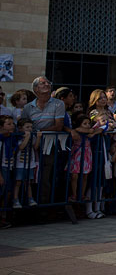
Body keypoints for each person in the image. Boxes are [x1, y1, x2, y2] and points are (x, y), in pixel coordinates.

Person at [22, 76, 65, 204]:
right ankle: (27, 201)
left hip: (49, 145)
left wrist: (40, 132)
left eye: (48, 82)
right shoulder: (28, 108)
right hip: (31, 145)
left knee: (45, 175)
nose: (47, 84)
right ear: (35, 88)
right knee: (28, 174)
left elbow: (58, 126)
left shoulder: (58, 104)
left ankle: (44, 203)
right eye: (43, 83)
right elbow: (23, 125)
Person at [13, 118, 41, 208]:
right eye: (27, 127)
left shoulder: (32, 136)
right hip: (20, 163)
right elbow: (21, 147)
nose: (30, 129)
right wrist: (27, 137)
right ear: (20, 128)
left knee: (28, 182)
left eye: (31, 127)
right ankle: (15, 199)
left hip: (30, 162)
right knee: (18, 182)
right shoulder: (18, 136)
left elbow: (35, 147)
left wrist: (38, 138)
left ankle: (30, 198)